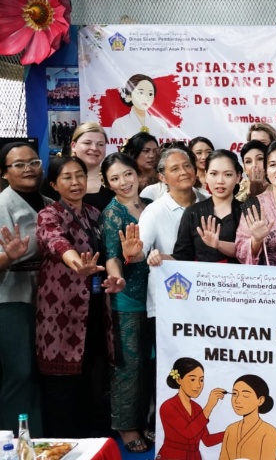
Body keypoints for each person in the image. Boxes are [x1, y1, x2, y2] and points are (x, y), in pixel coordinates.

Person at [36, 156, 125, 437]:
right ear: (53, 184)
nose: (75, 182)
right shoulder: (48, 214)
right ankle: (63, 443)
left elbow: (111, 251)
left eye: (80, 175)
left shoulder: (95, 213)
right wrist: (78, 264)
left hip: (96, 308)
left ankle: (94, 442)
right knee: (62, 382)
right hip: (61, 312)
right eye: (67, 177)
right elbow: (56, 242)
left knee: (94, 375)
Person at [100, 153, 152, 452]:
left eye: (127, 174)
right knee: (128, 367)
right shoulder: (112, 213)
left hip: (156, 297)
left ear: (137, 173)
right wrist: (117, 278)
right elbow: (111, 255)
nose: (124, 182)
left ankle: (144, 420)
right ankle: (126, 427)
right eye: (115, 178)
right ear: (108, 184)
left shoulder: (150, 206)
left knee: (148, 364)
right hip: (127, 297)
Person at [0, 142, 50, 435]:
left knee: (42, 371)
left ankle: (43, 438)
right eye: (19, 165)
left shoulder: (49, 202)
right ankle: (15, 442)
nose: (29, 169)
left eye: (33, 162)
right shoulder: (2, 205)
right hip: (12, 299)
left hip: (48, 297)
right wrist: (9, 257)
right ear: (5, 173)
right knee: (21, 371)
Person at [128, 147, 209, 319]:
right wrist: (133, 254)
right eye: (175, 169)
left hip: (208, 297)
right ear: (162, 177)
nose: (184, 172)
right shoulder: (154, 211)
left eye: (187, 165)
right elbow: (140, 252)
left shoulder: (209, 200)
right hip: (170, 298)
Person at [174, 150, 243, 263]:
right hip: (201, 275)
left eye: (228, 175)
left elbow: (252, 253)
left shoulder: (247, 212)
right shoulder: (192, 213)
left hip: (239, 274)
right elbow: (182, 256)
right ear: (205, 176)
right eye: (213, 174)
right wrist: (160, 258)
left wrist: (219, 244)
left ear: (238, 177)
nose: (220, 181)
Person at [157, 357, 226, 460]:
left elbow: (207, 440)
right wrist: (210, 405)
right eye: (192, 379)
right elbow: (189, 433)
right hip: (173, 456)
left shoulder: (196, 408)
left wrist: (231, 432)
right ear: (179, 380)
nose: (198, 385)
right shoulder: (168, 406)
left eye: (201, 380)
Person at [219, 375, 276, 460]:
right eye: (235, 394)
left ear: (260, 400)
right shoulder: (230, 429)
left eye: (245, 395)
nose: (237, 400)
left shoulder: (269, 432)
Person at [69, 122, 114, 211]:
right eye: (87, 143)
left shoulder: (114, 179)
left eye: (100, 144)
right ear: (73, 146)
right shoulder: (57, 178)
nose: (94, 148)